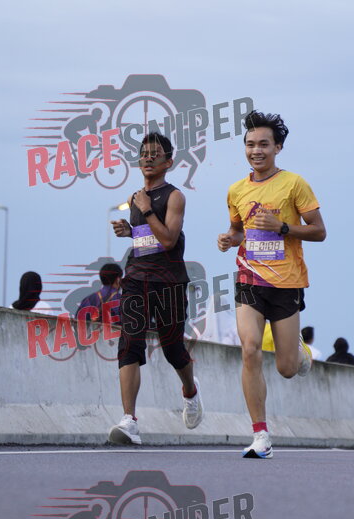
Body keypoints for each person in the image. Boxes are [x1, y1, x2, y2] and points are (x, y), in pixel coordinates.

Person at [218, 110, 326, 458]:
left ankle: (298, 350)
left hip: (286, 282)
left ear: (277, 147)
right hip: (249, 278)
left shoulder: (294, 184)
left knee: (286, 368)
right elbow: (239, 231)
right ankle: (260, 435)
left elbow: (319, 231)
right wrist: (229, 239)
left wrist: (283, 227)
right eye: (250, 144)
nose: (256, 151)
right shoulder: (236, 190)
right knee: (249, 348)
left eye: (263, 144)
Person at [108, 133, 203, 445]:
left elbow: (169, 240)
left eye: (155, 153)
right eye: (144, 153)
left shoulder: (174, 197)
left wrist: (147, 210)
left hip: (169, 282)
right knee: (129, 344)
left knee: (172, 348)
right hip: (136, 278)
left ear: (168, 162)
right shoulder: (136, 197)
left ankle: (190, 390)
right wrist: (130, 232)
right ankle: (129, 420)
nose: (148, 157)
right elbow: (147, 238)